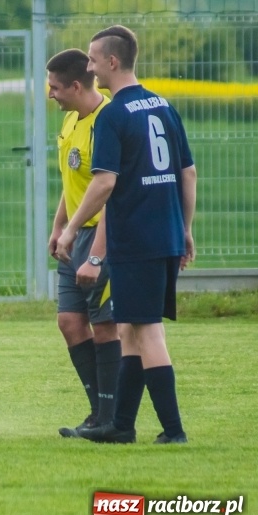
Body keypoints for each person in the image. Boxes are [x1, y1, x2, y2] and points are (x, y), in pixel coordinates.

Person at [55, 25, 197, 444]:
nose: (90, 66)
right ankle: (121, 426)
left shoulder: (114, 114)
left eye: (94, 60)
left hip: (136, 238)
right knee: (130, 332)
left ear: (112, 62)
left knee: (147, 332)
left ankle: (173, 431)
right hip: (165, 232)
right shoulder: (164, 107)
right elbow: (187, 173)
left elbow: (103, 183)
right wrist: (185, 229)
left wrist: (70, 230)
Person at [46, 49, 121, 438]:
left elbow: (110, 191)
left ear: (76, 85)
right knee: (69, 322)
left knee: (105, 326)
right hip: (74, 234)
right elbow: (72, 181)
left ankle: (111, 418)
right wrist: (59, 226)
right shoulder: (71, 120)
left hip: (98, 235)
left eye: (55, 87)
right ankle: (97, 413)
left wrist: (95, 252)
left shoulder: (106, 123)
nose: (50, 95)